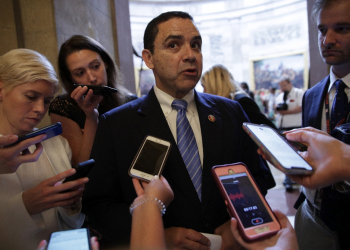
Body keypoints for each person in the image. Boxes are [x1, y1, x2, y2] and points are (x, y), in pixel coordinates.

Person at [82, 11, 274, 249]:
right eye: (174, 45)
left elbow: (259, 178)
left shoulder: (231, 112)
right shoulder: (116, 124)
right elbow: (99, 205)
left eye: (196, 45)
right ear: (149, 58)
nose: (190, 55)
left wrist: (240, 220)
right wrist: (158, 233)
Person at [0, 49, 87, 250]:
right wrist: (26, 205)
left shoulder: (56, 143)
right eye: (31, 96)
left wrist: (70, 204)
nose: (41, 109)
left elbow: (71, 225)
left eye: (47, 101)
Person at [295, 1, 350, 248]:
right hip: (313, 217)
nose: (327, 40)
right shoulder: (312, 95)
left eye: (342, 28)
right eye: (321, 30)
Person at [49, 35, 137, 166]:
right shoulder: (63, 106)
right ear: (71, 79)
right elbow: (83, 165)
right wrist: (91, 118)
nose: (92, 78)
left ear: (105, 62)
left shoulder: (130, 102)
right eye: (80, 73)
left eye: (95, 66)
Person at [201, 64, 277, 129]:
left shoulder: (241, 101)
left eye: (204, 86)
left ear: (215, 85)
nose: (203, 91)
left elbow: (269, 130)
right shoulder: (226, 104)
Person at [275, 78, 304, 192]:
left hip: (295, 128)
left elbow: (301, 107)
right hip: (282, 128)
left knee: (296, 155)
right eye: (281, 86)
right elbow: (276, 109)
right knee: (285, 155)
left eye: (285, 85)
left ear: (290, 83)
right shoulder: (280, 96)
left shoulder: (298, 93)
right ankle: (288, 180)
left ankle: (299, 179)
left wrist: (286, 112)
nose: (283, 88)